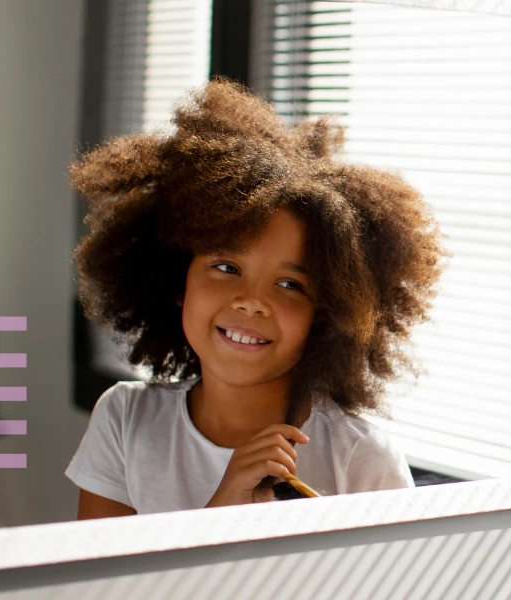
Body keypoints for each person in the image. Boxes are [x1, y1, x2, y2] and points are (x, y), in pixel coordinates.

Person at [64, 79, 446, 518]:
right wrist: (223, 509)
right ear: (176, 280)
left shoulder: (361, 462)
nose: (252, 302)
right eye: (227, 268)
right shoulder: (124, 419)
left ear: (325, 316)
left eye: (290, 285)